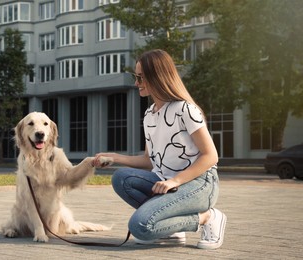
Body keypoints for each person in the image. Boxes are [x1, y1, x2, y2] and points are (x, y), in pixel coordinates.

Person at [94, 49, 226, 250]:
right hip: (166, 182)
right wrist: (114, 158)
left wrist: (175, 180)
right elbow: (149, 161)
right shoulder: (149, 115)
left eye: (141, 77)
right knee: (121, 178)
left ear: (157, 78)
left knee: (140, 226)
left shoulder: (185, 110)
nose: (136, 83)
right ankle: (171, 228)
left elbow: (211, 156)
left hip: (199, 183)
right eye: (135, 77)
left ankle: (207, 217)